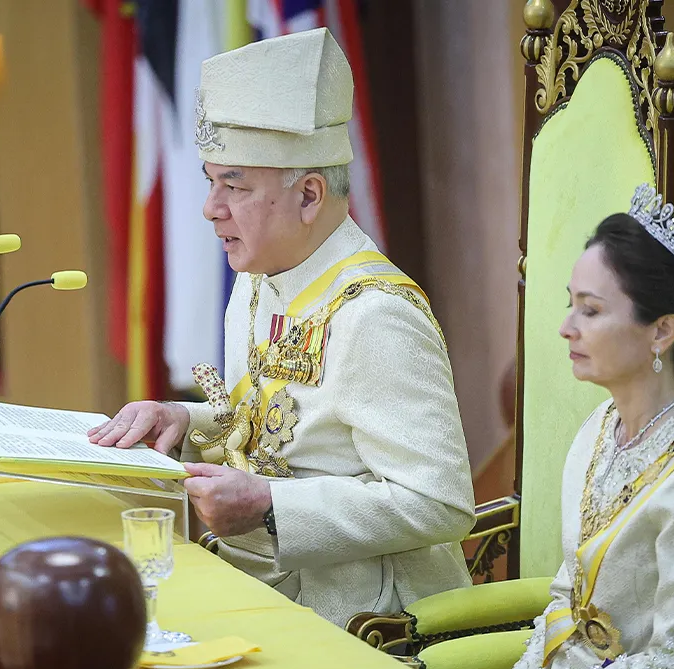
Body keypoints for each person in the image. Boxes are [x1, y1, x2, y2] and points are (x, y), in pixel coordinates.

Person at [88, 27, 475, 628]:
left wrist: (270, 505)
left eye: (234, 185)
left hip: (368, 622)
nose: (210, 208)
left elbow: (439, 503)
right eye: (210, 181)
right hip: (258, 583)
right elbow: (280, 426)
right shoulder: (258, 278)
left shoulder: (376, 315)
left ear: (310, 194)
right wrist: (183, 420)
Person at [476, 184, 674, 669]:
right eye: (570, 305)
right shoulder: (599, 428)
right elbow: (564, 601)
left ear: (662, 331)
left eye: (591, 311)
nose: (565, 328)